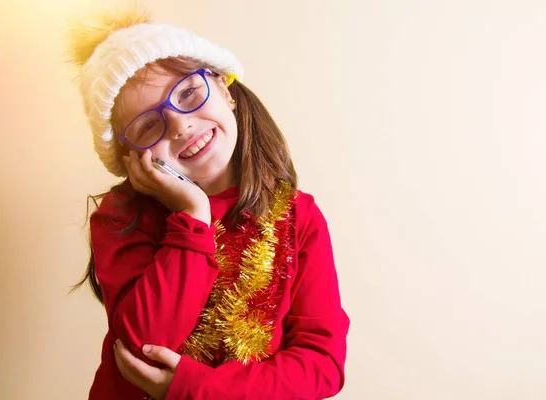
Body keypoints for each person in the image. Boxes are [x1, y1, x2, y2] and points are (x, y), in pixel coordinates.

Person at [68, 4, 349, 399]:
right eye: (149, 125)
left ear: (223, 86)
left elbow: (322, 366)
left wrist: (195, 388)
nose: (181, 125)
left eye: (187, 93)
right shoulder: (121, 217)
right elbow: (141, 347)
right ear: (132, 159)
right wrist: (192, 215)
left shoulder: (298, 216)